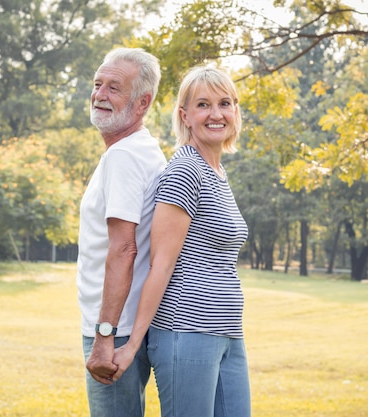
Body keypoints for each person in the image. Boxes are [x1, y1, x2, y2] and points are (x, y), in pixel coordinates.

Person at [112, 66, 251, 417]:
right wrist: (131, 346)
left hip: (227, 332)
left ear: (236, 111)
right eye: (203, 104)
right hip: (185, 332)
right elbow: (160, 263)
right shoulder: (185, 171)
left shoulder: (216, 171)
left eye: (224, 103)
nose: (216, 114)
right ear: (185, 115)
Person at [76, 47, 166, 417]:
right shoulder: (142, 150)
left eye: (114, 87)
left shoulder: (124, 156)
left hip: (116, 330)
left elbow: (124, 249)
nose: (100, 95)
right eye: (98, 84)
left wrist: (104, 335)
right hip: (125, 325)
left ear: (142, 102)